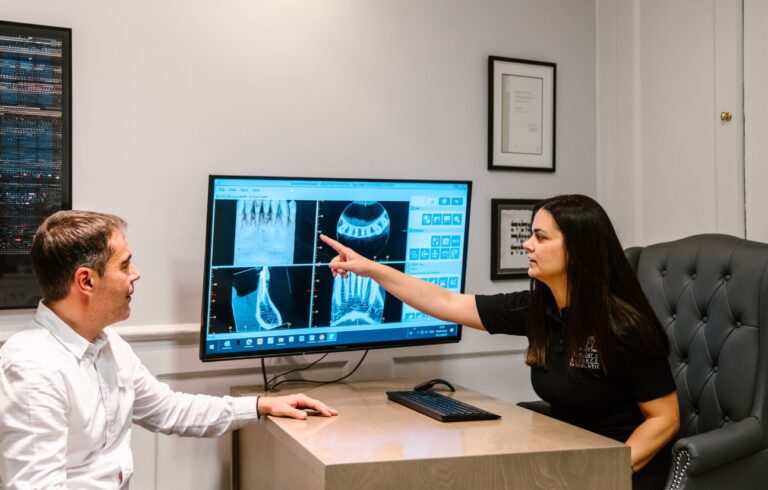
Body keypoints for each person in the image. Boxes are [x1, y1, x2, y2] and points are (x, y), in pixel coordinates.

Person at [320, 194, 679, 489]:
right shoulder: (538, 308)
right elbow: (447, 303)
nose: (527, 245)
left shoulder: (624, 326)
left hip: (616, 473)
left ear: (577, 250)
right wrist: (369, 268)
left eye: (541, 237)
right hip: (566, 462)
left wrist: (607, 474)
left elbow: (664, 419)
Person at [0, 210, 337, 489]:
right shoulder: (32, 369)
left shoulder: (107, 344)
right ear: (86, 281)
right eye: (124, 265)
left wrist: (260, 405)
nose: (136, 274)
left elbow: (169, 410)